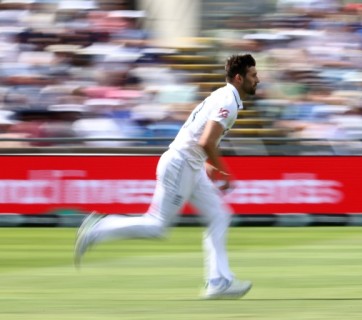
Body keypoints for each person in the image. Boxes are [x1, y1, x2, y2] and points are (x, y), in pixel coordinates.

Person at [74, 54, 259, 300]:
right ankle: (98, 228)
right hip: (181, 165)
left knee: (220, 215)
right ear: (239, 77)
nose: (258, 80)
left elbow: (198, 138)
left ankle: (218, 282)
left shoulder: (223, 95)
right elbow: (206, 141)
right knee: (156, 225)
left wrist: (207, 164)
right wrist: (222, 170)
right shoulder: (228, 101)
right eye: (253, 75)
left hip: (189, 164)